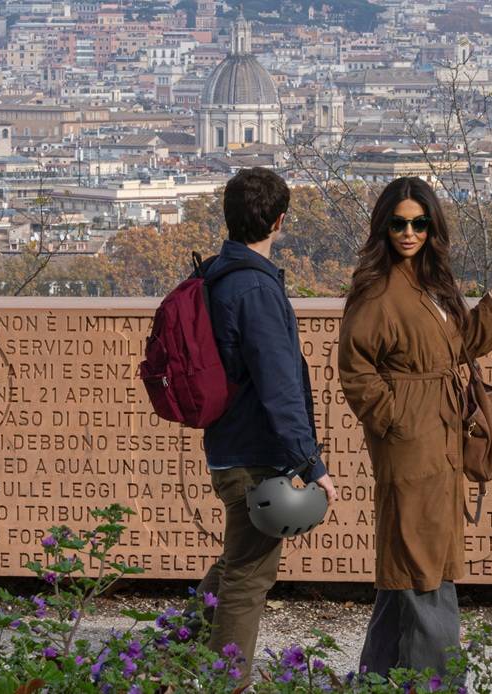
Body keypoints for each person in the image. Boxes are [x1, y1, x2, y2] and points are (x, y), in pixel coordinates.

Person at [337, 177, 492, 677]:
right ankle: (438, 682)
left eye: (419, 223)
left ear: (432, 226)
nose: (409, 232)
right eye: (399, 223)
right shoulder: (377, 292)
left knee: (409, 564)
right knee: (426, 566)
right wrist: (400, 420)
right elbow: (356, 372)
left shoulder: (432, 284)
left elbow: (457, 348)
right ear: (384, 225)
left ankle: (378, 680)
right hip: (412, 443)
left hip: (440, 437)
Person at [195, 167, 336, 670]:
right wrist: (311, 463)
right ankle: (223, 680)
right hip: (255, 454)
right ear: (280, 221)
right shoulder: (254, 289)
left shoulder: (217, 274)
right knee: (249, 577)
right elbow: (279, 385)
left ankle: (171, 653)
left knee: (237, 562)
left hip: (228, 445)